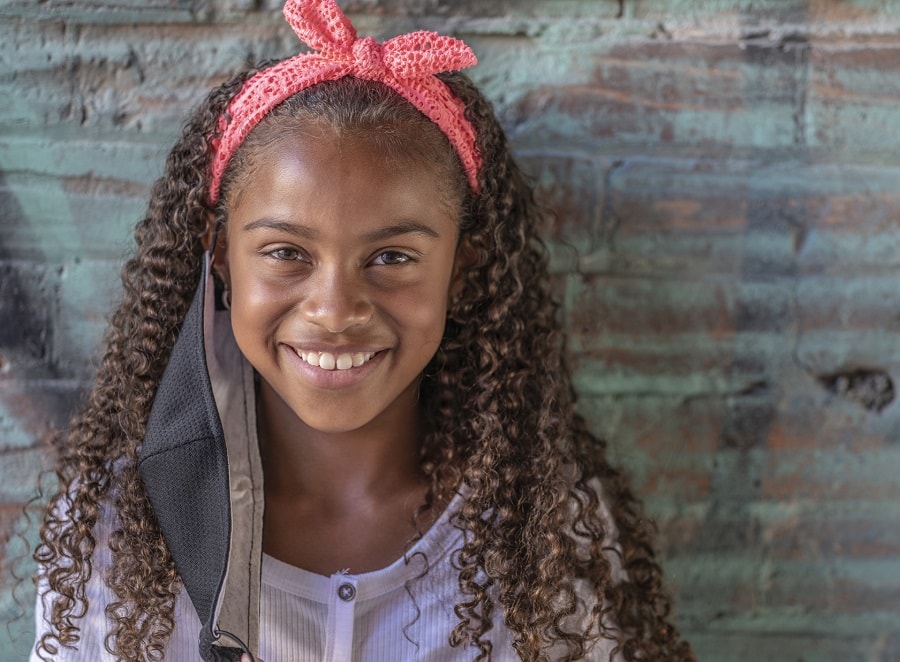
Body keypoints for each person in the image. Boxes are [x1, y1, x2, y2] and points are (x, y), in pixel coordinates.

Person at [30, 0, 695, 660]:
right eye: (287, 253)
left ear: (462, 270)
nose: (336, 309)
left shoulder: (543, 532)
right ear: (221, 256)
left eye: (392, 258)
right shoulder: (119, 532)